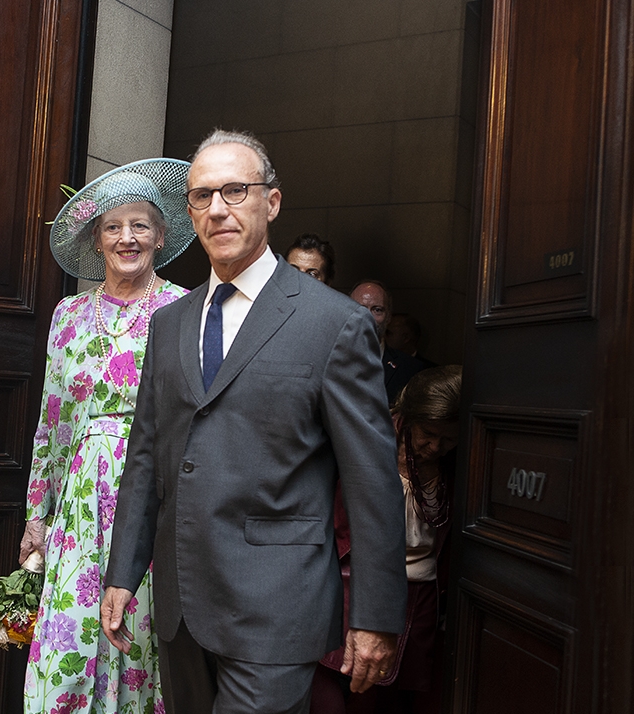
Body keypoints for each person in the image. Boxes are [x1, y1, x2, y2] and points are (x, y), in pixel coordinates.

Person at [100, 128, 408, 714]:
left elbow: (371, 481)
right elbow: (146, 455)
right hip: (182, 605)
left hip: (276, 608)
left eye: (235, 191)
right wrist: (123, 572)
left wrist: (376, 616)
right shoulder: (169, 325)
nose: (217, 209)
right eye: (201, 195)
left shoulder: (334, 325)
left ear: (271, 202)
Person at [20, 158, 195, 714]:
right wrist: (37, 515)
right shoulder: (68, 314)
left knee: (139, 631)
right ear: (96, 240)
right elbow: (51, 421)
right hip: (78, 503)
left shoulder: (185, 309)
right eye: (114, 227)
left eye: (140, 225)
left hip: (153, 496)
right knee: (69, 633)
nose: (128, 238)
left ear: (161, 235)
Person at [312, 365, 462, 714]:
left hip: (421, 595)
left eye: (449, 438)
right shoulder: (368, 441)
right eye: (428, 433)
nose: (436, 446)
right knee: (330, 693)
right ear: (409, 416)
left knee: (386, 702)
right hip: (353, 584)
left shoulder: (458, 464)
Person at [350, 280, 428, 405]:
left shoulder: (412, 370)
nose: (367, 317)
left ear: (388, 317)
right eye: (359, 309)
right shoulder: (327, 361)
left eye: (377, 310)